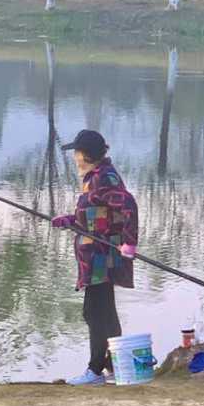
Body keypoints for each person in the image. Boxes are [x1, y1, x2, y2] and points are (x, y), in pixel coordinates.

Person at [52, 129, 138, 385]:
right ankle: (115, 367)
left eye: (77, 152)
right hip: (94, 256)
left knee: (95, 312)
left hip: (103, 257)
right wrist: (70, 220)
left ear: (86, 154)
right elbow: (98, 214)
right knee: (104, 312)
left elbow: (128, 206)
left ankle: (95, 370)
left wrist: (130, 243)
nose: (75, 157)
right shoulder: (92, 178)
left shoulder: (105, 178)